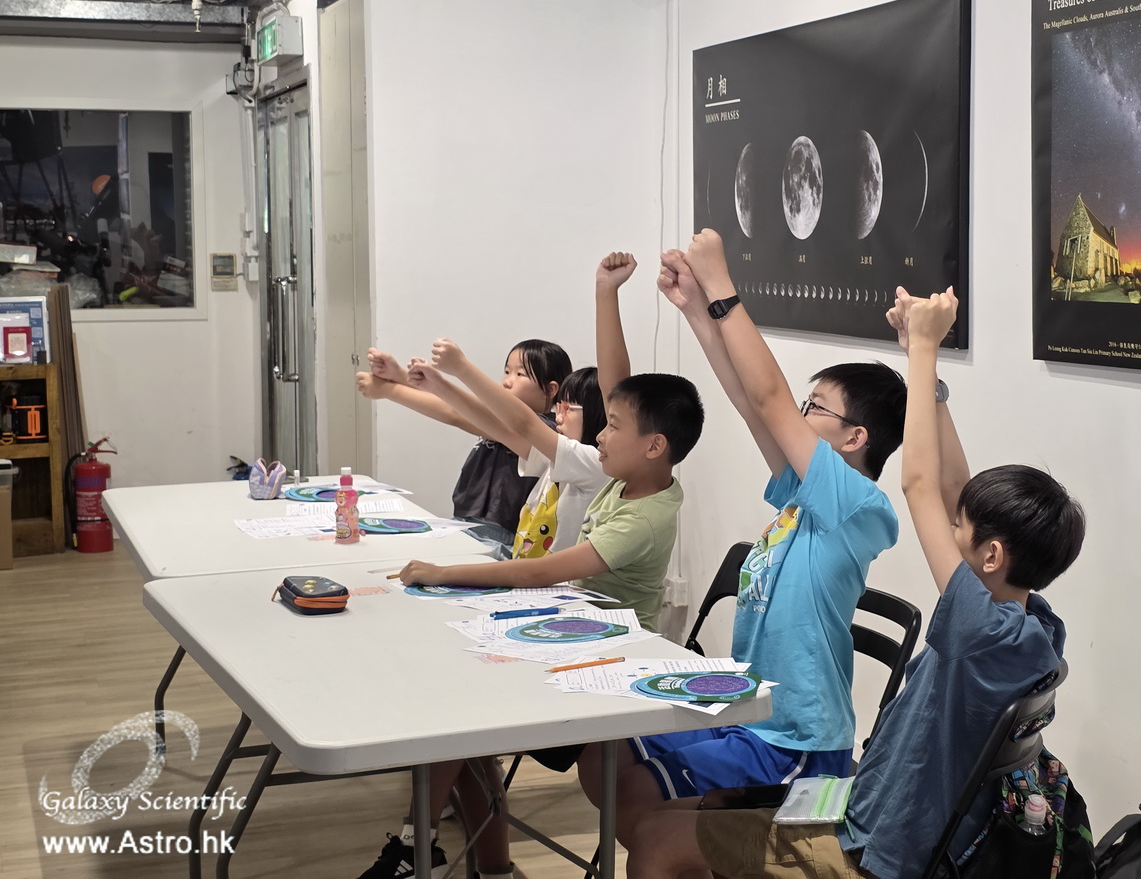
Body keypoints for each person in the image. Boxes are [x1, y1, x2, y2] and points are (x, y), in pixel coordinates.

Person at [625, 286, 1086, 879]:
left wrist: (923, 349)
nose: (950, 524)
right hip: (870, 809)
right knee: (658, 816)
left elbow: (922, 485)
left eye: (960, 527)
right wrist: (929, 376)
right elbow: (953, 488)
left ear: (992, 554)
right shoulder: (1030, 626)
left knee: (657, 839)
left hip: (875, 849)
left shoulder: (981, 629)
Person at [357, 253, 705, 879]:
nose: (592, 431)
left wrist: (444, 573)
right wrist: (605, 293)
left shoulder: (632, 501)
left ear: (649, 444)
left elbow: (544, 570)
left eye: (605, 423)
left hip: (606, 662)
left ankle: (418, 847)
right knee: (458, 712)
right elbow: (511, 415)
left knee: (460, 716)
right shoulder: (617, 474)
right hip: (565, 630)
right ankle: (459, 856)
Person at [578, 229, 908, 848]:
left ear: (855, 438)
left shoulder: (858, 506)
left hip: (797, 738)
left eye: (816, 408)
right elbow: (751, 404)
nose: (798, 415)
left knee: (643, 807)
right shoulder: (803, 494)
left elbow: (768, 395)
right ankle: (679, 849)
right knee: (604, 755)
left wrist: (723, 287)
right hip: (746, 707)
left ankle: (676, 848)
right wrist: (697, 312)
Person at [355, 338, 571, 538]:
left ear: (551, 389)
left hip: (502, 537)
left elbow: (455, 413)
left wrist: (388, 389)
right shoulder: (498, 418)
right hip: (468, 523)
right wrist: (400, 377)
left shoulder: (546, 432)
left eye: (520, 374)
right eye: (507, 371)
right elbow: (458, 406)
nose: (507, 381)